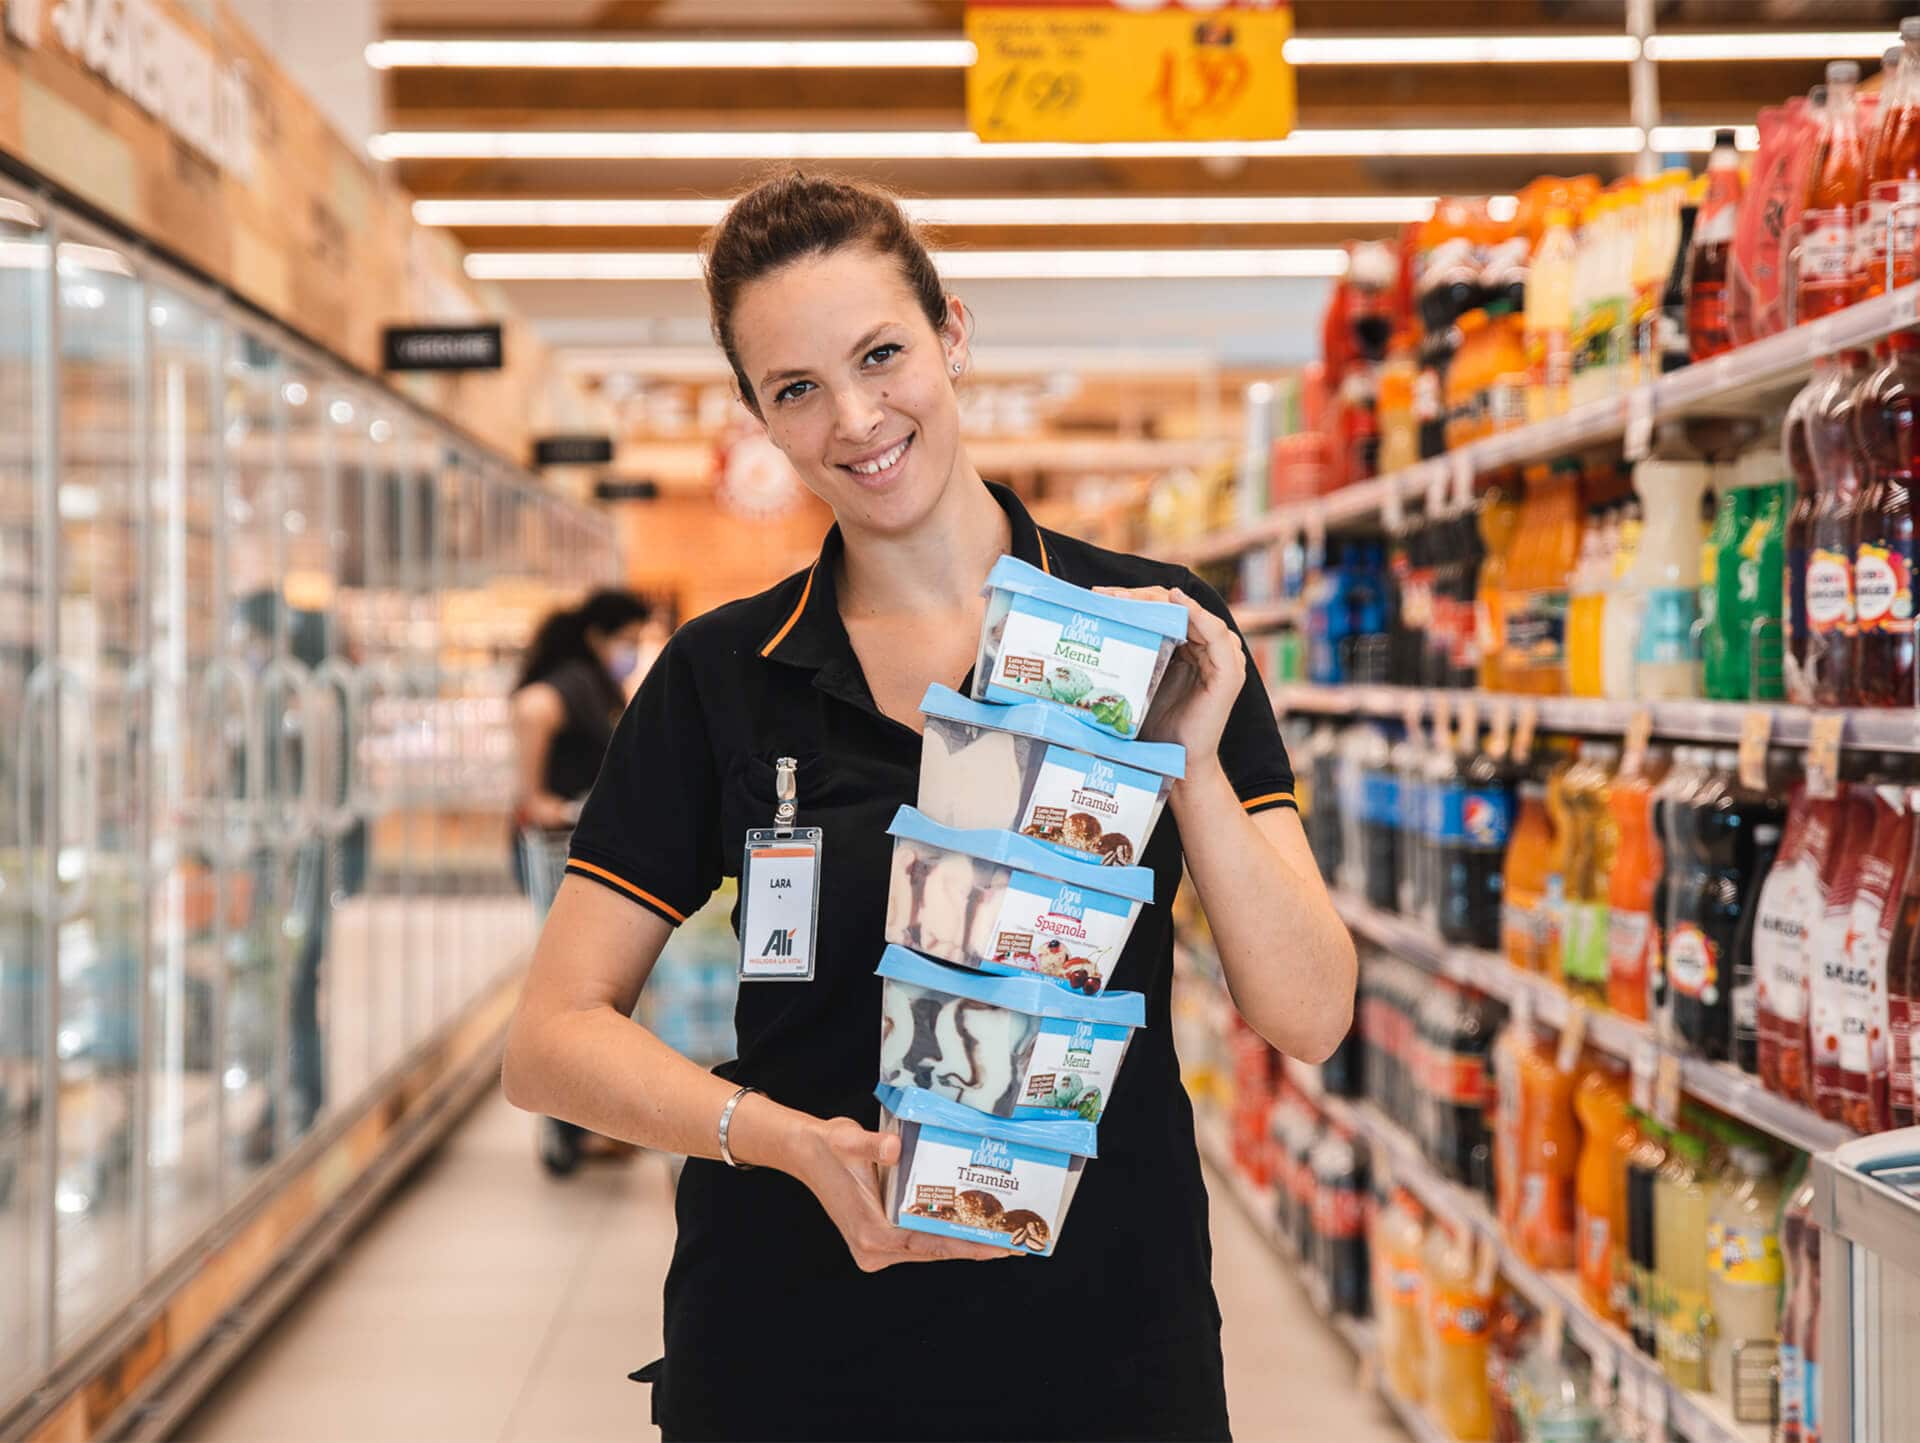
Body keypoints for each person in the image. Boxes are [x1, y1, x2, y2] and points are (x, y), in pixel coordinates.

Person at [500, 172, 1357, 1442]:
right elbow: (549, 1039)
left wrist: (1193, 756)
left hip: (1102, 1335)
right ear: (760, 420)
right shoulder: (722, 678)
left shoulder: (1146, 629)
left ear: (951, 333)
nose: (855, 418)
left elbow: (1310, 1013)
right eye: (796, 389)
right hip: (792, 1345)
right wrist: (784, 1141)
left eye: (881, 354)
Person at [509, 590, 655, 838]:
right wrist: (541, 801)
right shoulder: (576, 681)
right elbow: (531, 706)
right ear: (596, 637)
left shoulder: (603, 685)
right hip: (553, 842)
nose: (634, 652)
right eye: (629, 642)